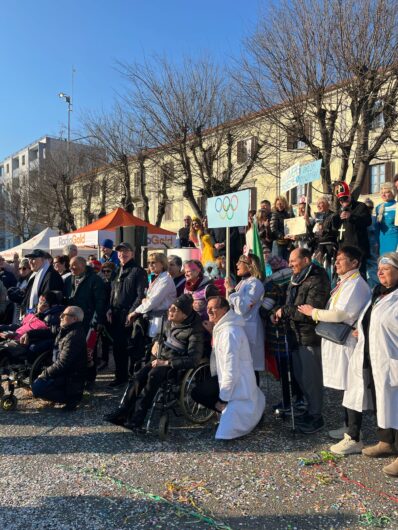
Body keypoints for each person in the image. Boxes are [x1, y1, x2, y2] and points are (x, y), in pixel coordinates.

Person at [297, 246, 371, 453]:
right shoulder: (346, 282)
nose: (336, 263)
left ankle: (354, 437)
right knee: (346, 388)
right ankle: (348, 427)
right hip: (341, 343)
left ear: (355, 263)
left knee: (352, 388)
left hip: (348, 344)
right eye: (336, 259)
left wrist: (314, 313)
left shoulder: (356, 284)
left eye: (341, 260)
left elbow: (340, 315)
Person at [103, 294, 204, 429]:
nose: (170, 311)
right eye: (171, 308)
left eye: (175, 310)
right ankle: (123, 411)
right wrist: (156, 342)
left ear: (184, 314)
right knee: (138, 377)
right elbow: (161, 335)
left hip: (174, 365)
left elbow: (193, 360)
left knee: (152, 377)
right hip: (159, 357)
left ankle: (138, 417)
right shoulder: (169, 320)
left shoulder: (195, 331)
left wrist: (167, 363)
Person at [342, 253, 398, 476]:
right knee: (382, 402)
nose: (380, 271)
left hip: (392, 360)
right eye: (379, 268)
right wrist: (363, 329)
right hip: (375, 358)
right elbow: (371, 319)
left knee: (395, 405)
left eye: (386, 268)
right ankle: (386, 442)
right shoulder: (378, 293)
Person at [191, 296, 265, 440]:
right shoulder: (223, 328)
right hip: (229, 379)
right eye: (208, 308)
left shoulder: (229, 332)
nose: (209, 311)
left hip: (236, 381)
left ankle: (231, 412)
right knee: (198, 392)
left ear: (225, 310)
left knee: (201, 394)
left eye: (214, 308)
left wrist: (223, 400)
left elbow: (231, 369)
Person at [275, 248, 330, 434]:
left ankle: (317, 416)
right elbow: (292, 304)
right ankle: (309, 409)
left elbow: (310, 312)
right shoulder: (296, 278)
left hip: (309, 336)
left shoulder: (317, 279)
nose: (290, 264)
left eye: (293, 261)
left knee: (311, 378)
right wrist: (280, 311)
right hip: (294, 334)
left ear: (306, 260)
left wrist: (287, 311)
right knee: (300, 376)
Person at [32, 306, 87, 411]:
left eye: (64, 315)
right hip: (62, 372)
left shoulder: (74, 336)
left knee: (37, 387)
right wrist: (28, 334)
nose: (60, 316)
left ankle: (70, 398)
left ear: (74, 319)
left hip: (70, 378)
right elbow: (48, 331)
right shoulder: (66, 329)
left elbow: (63, 364)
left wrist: (44, 373)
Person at [108, 242, 148, 386]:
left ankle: (134, 379)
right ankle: (120, 377)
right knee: (118, 348)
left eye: (126, 251)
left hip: (130, 316)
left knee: (132, 349)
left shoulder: (138, 271)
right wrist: (109, 308)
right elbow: (112, 291)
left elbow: (140, 296)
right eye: (119, 252)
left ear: (132, 253)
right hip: (116, 314)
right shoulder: (117, 270)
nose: (122, 254)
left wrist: (132, 313)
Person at [225, 254, 265, 381]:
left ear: (249, 265)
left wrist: (231, 291)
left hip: (249, 328)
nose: (236, 265)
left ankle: (253, 398)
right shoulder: (242, 282)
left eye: (239, 262)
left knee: (250, 368)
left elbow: (243, 308)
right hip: (240, 328)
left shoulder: (255, 284)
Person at [127, 252, 176, 338]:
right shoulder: (154, 278)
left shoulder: (166, 280)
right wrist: (145, 300)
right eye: (149, 263)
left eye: (153, 262)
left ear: (162, 264)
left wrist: (136, 311)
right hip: (153, 317)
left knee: (157, 345)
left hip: (161, 319)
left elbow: (153, 301)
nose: (150, 265)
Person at [330, 182, 371, 274]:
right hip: (343, 249)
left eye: (345, 198)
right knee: (344, 276)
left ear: (349, 195)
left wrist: (351, 216)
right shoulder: (338, 212)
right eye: (340, 200)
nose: (343, 202)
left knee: (358, 275)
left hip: (357, 249)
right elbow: (334, 229)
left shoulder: (360, 206)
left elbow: (367, 221)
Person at [69, 256, 107, 333]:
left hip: (88, 320)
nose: (70, 268)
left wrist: (98, 320)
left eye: (73, 265)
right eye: (70, 265)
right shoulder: (69, 279)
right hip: (73, 320)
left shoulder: (95, 280)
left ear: (82, 265)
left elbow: (100, 301)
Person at [21, 249, 64, 315]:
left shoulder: (52, 276)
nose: (30, 262)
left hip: (44, 318)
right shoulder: (35, 275)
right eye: (29, 259)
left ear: (43, 259)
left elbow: (48, 301)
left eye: (33, 259)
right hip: (32, 316)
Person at [375, 182, 398, 254]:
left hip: (394, 241)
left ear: (393, 192)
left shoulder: (397, 206)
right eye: (382, 192)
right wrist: (376, 242)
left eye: (386, 192)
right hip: (382, 241)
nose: (383, 194)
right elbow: (377, 227)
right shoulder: (378, 207)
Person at [364, 198, 379, 289]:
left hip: (373, 245)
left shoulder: (375, 219)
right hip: (364, 245)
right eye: (366, 207)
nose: (369, 209)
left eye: (371, 207)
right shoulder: (361, 218)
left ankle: (374, 287)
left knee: (373, 267)